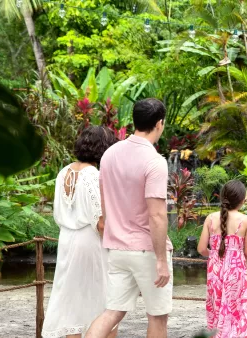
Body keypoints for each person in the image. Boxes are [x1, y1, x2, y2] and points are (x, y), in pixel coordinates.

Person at [86, 98, 172, 338]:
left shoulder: (109, 154)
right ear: (159, 123)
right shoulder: (155, 161)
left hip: (117, 248)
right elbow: (157, 215)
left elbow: (105, 204)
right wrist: (161, 260)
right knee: (157, 316)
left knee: (112, 313)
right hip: (146, 250)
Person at [42, 126, 119, 338]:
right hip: (90, 242)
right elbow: (101, 222)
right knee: (104, 300)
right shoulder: (93, 175)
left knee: (72, 301)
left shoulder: (63, 172)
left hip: (67, 240)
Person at [197, 180, 247, 338]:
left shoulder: (210, 218)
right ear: (242, 200)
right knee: (236, 307)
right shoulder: (246, 220)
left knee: (216, 306)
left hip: (215, 271)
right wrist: (236, 256)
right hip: (236, 271)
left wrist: (215, 255)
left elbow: (201, 249)